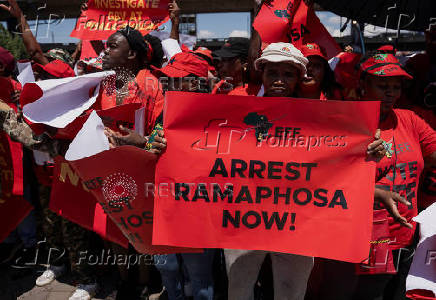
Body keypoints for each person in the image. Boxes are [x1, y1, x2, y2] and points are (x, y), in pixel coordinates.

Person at [317, 53, 436, 300]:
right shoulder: (342, 121)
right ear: (363, 84)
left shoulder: (410, 120)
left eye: (396, 87)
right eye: (382, 85)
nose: (390, 92)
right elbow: (322, 178)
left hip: (404, 237)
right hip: (355, 239)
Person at [151, 50, 215, 300]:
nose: (168, 84)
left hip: (199, 213)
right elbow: (151, 152)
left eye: (177, 79)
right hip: (164, 208)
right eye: (167, 79)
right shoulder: (164, 113)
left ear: (197, 84)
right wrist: (148, 145)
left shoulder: (216, 118)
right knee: (166, 266)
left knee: (199, 276)